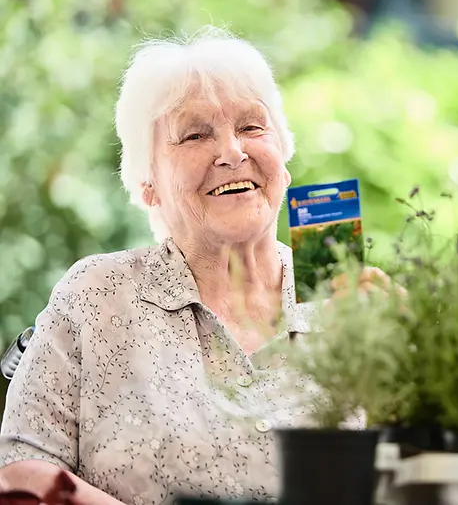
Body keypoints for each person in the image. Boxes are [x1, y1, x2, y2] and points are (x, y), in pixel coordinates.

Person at [0, 28, 382, 504]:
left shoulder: (349, 301)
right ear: (147, 185)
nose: (232, 153)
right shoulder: (97, 295)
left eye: (252, 128)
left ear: (283, 161)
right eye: (196, 134)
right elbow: (20, 474)